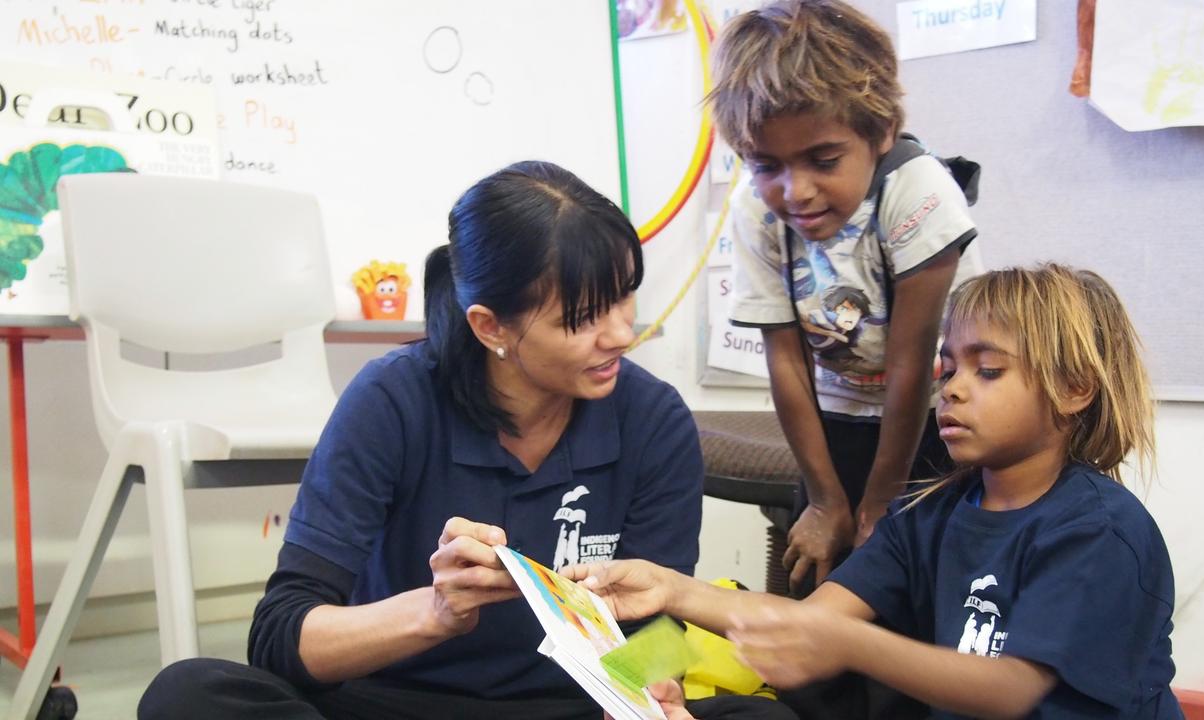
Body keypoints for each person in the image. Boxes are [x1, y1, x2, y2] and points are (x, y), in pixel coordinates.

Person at [137, 161, 790, 720]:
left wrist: (657, 690)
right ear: (490, 326)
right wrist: (434, 612)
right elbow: (280, 638)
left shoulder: (653, 418)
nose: (622, 333)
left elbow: (657, 630)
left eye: (625, 299)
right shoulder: (392, 399)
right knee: (189, 694)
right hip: (390, 702)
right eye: (584, 317)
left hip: (566, 708)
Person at [567, 264, 1183, 719]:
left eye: (988, 370)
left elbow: (1015, 689)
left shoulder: (1097, 531)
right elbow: (812, 622)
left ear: (1076, 389)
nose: (954, 389)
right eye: (949, 367)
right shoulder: (932, 512)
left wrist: (850, 644)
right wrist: (670, 587)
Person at [713, 0, 983, 591]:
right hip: (839, 413)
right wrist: (827, 499)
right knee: (822, 573)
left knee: (915, 580)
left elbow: (914, 364)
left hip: (938, 418)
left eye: (823, 160)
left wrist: (882, 502)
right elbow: (785, 358)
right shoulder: (754, 209)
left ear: (881, 131)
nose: (796, 191)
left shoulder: (918, 193)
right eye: (766, 165)